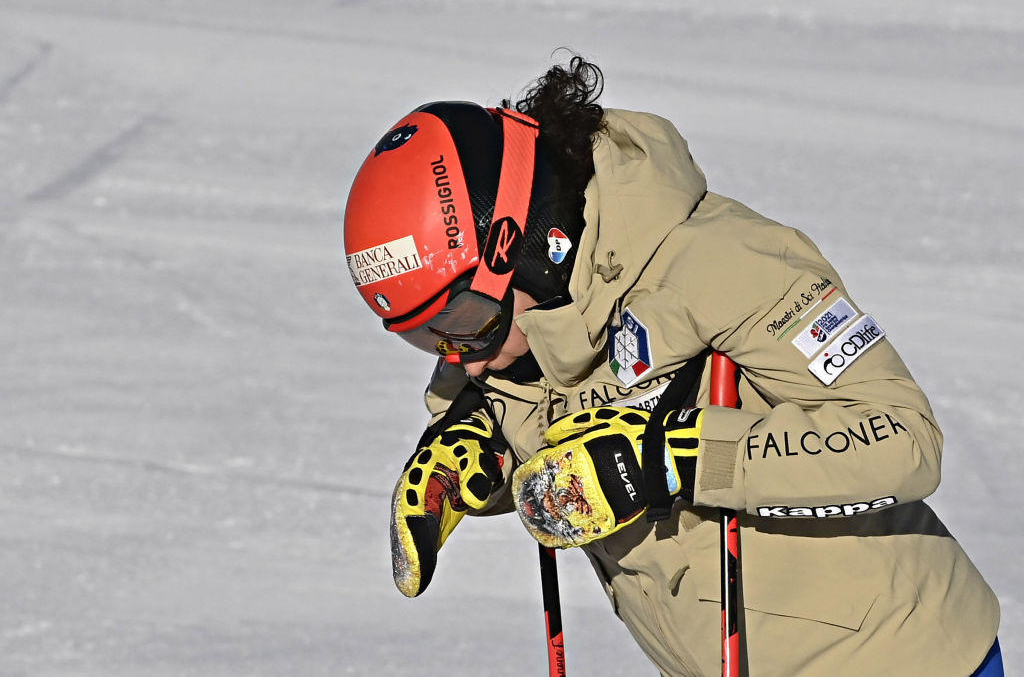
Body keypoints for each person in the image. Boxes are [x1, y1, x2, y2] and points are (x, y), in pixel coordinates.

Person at [342, 56, 1002, 676]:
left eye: (457, 322)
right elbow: (570, 445)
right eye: (421, 337)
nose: (461, 359)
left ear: (531, 241)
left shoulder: (725, 260)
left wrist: (674, 460)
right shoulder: (513, 331)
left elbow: (905, 440)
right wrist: (479, 457)